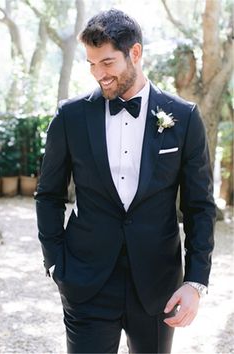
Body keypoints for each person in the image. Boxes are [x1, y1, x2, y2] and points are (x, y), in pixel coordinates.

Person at [35, 9, 216, 354]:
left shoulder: (185, 117)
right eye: (91, 64)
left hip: (157, 285)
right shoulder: (70, 116)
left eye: (106, 63)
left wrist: (195, 282)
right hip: (85, 281)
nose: (98, 74)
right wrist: (55, 262)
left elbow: (199, 206)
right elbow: (48, 194)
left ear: (135, 53)